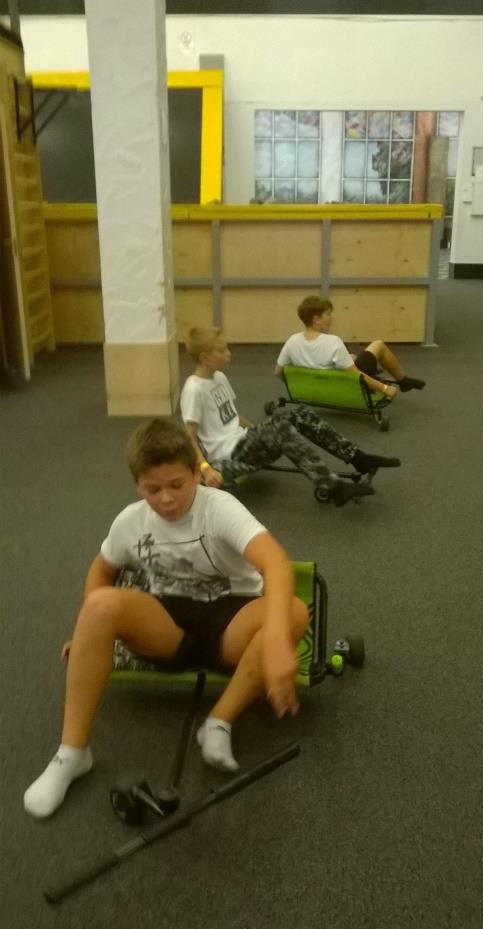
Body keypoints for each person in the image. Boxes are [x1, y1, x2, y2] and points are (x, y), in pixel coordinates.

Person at [24, 419, 309, 819]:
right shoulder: (130, 521)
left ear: (196, 472)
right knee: (99, 606)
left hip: (232, 620)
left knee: (293, 612)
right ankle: (72, 754)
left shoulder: (220, 508)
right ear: (137, 485)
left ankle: (219, 722)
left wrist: (277, 640)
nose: (167, 499)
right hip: (168, 624)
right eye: (152, 489)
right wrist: (88, 633)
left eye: (177, 484)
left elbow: (275, 563)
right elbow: (102, 570)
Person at [180, 326, 401, 507]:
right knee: (279, 428)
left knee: (299, 413)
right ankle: (333, 487)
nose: (228, 353)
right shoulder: (194, 388)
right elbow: (189, 437)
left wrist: (261, 430)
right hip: (229, 456)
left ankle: (357, 458)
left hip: (244, 441)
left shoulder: (219, 377)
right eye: (222, 350)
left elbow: (233, 417)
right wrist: (205, 469)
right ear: (204, 357)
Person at [275, 295, 426, 398]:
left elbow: (278, 372)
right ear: (316, 319)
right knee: (378, 345)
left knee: (353, 357)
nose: (331, 318)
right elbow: (356, 375)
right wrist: (385, 389)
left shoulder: (292, 341)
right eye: (328, 314)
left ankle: (400, 380)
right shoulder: (333, 342)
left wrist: (300, 384)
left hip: (315, 388)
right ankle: (403, 381)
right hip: (342, 387)